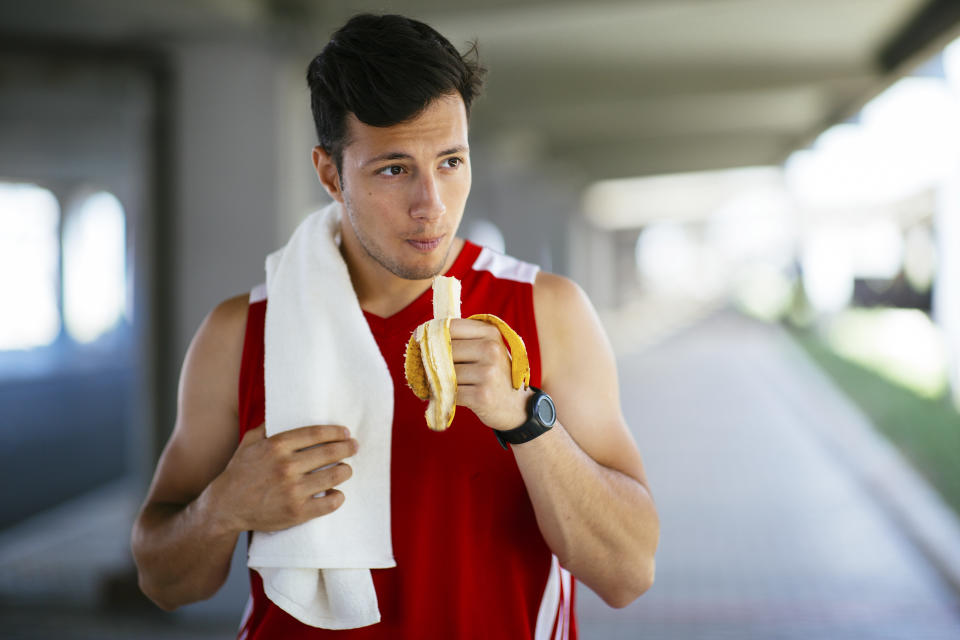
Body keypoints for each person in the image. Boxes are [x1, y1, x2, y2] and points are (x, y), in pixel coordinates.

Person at [131, 12, 658, 639]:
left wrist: (524, 418)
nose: (430, 204)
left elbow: (627, 574)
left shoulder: (548, 312)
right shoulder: (240, 333)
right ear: (329, 173)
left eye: (451, 162)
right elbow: (165, 583)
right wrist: (221, 509)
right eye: (394, 169)